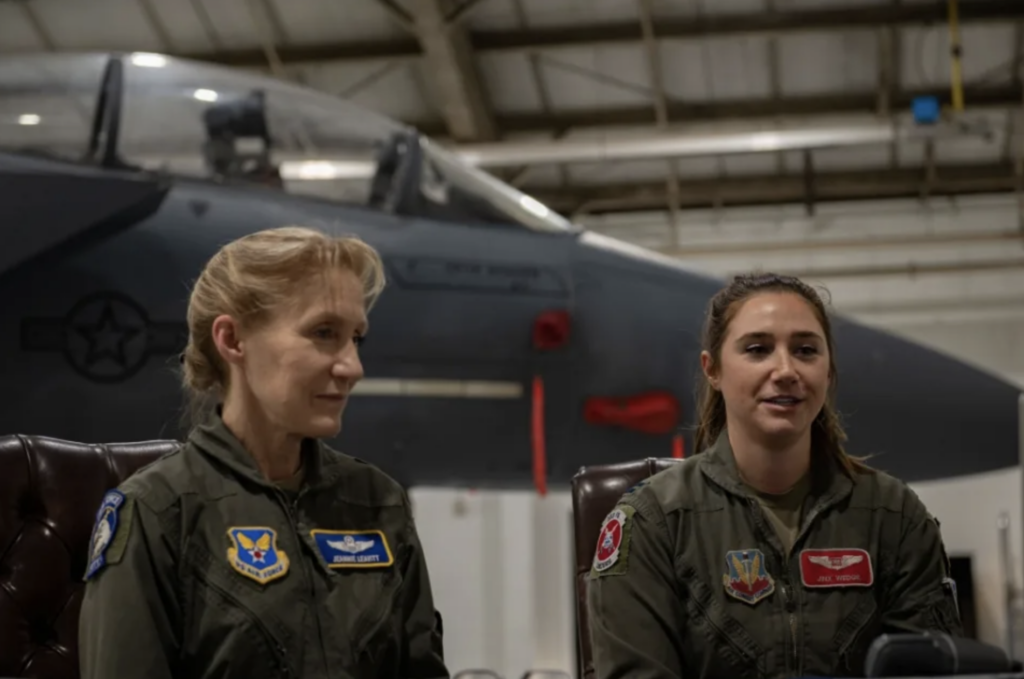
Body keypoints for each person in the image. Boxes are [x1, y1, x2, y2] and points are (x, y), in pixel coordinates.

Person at [78, 226, 449, 679]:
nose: (353, 366)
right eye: (324, 332)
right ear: (232, 341)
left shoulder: (377, 503)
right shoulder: (158, 514)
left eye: (357, 337)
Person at [585, 272, 962, 679]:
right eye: (757, 349)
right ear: (712, 370)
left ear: (829, 371)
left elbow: (932, 670)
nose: (785, 369)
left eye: (805, 350)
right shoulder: (652, 523)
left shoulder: (894, 517)